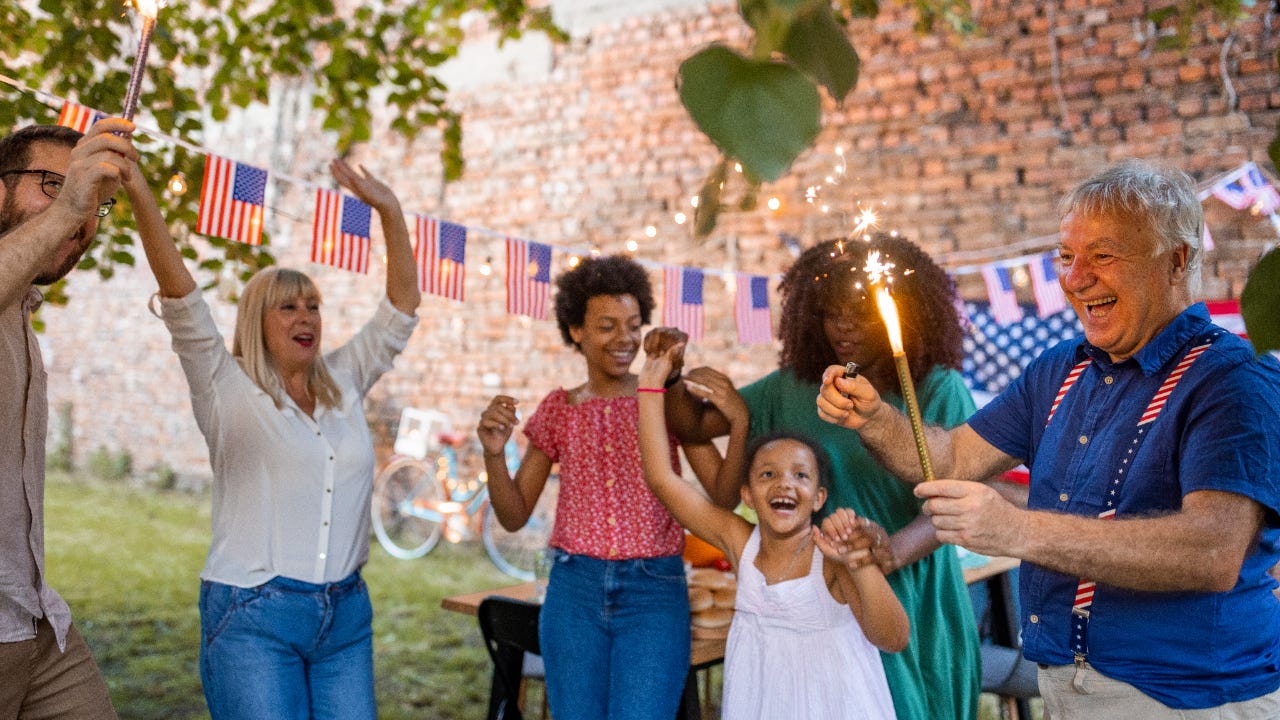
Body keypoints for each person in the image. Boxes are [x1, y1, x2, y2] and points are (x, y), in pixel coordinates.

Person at [818, 159, 1280, 719]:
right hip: (1067, 686)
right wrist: (876, 419)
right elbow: (947, 459)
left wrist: (1017, 530)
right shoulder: (1061, 370)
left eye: (1103, 255)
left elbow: (1212, 552)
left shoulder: (1233, 378)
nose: (1075, 277)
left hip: (1190, 699)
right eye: (1066, 257)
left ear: (1176, 259)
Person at [124, 156, 421, 719]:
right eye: (288, 306)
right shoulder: (224, 383)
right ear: (258, 321)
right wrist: (139, 191)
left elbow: (401, 308)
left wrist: (389, 211)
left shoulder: (344, 379)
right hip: (252, 616)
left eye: (312, 305)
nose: (306, 315)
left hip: (345, 617)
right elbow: (181, 294)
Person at [653, 234, 983, 720]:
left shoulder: (936, 388)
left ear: (900, 312)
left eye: (861, 311)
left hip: (911, 589)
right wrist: (673, 378)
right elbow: (692, 426)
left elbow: (957, 498)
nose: (843, 325)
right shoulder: (794, 387)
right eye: (830, 311)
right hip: (823, 594)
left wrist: (887, 553)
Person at [476, 255, 739, 720]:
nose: (625, 339)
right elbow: (514, 514)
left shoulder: (663, 397)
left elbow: (723, 493)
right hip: (573, 590)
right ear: (575, 330)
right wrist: (494, 454)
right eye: (606, 326)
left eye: (634, 325)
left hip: (654, 592)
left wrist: (738, 418)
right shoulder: (559, 409)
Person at [636, 341, 908, 720]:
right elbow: (662, 480)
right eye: (768, 474)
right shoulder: (739, 542)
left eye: (800, 475)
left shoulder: (829, 556)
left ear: (818, 497)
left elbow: (893, 638)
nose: (784, 484)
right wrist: (650, 390)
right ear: (747, 494)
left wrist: (860, 565)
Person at [0, 118, 136, 719]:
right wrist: (69, 206)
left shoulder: (21, 309)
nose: (82, 218)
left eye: (94, 205)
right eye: (52, 184)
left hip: (37, 621)